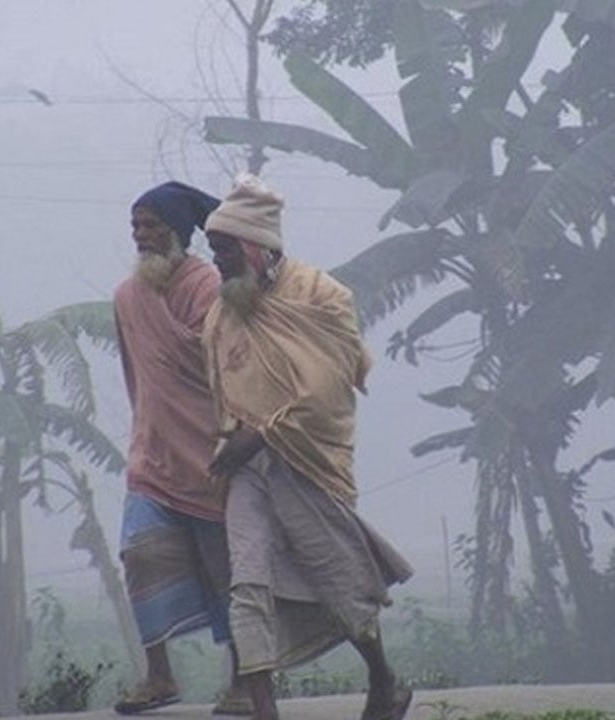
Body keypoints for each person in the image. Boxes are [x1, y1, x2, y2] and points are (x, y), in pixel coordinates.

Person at [202, 173, 415, 720]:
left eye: (224, 248)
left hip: (307, 461)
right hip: (246, 469)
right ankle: (265, 711)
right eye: (213, 248)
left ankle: (384, 681)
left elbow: (326, 387)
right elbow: (223, 383)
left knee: (338, 580)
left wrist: (262, 434)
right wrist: (233, 442)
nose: (217, 259)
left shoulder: (321, 295)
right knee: (246, 583)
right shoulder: (223, 311)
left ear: (257, 244)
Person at [111, 181, 250, 716]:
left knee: (227, 573)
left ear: (179, 233)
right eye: (136, 227)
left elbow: (229, 370)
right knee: (140, 557)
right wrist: (149, 428)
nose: (143, 236)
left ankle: (245, 681)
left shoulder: (208, 287)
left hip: (210, 458)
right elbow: (137, 377)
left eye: (153, 226)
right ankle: (159, 677)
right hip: (152, 458)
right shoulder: (126, 298)